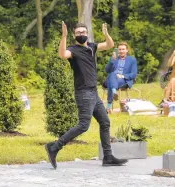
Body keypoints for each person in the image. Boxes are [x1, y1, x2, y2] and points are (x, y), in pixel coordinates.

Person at [45, 22, 128, 169]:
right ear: (74, 35)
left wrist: (105, 33)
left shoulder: (92, 46)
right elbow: (62, 54)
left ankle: (108, 157)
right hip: (83, 92)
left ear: (87, 33)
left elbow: (109, 44)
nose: (81, 34)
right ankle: (54, 147)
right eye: (78, 33)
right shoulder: (73, 50)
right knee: (83, 125)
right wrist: (63, 37)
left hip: (93, 92)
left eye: (83, 31)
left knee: (105, 122)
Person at [104, 42, 137, 113]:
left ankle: (108, 106)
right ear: (117, 50)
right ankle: (114, 90)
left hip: (123, 80)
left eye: (123, 49)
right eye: (119, 49)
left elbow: (134, 74)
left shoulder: (132, 60)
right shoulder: (113, 58)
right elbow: (107, 70)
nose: (121, 51)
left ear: (127, 50)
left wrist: (122, 76)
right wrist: (111, 61)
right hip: (112, 78)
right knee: (112, 74)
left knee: (111, 81)